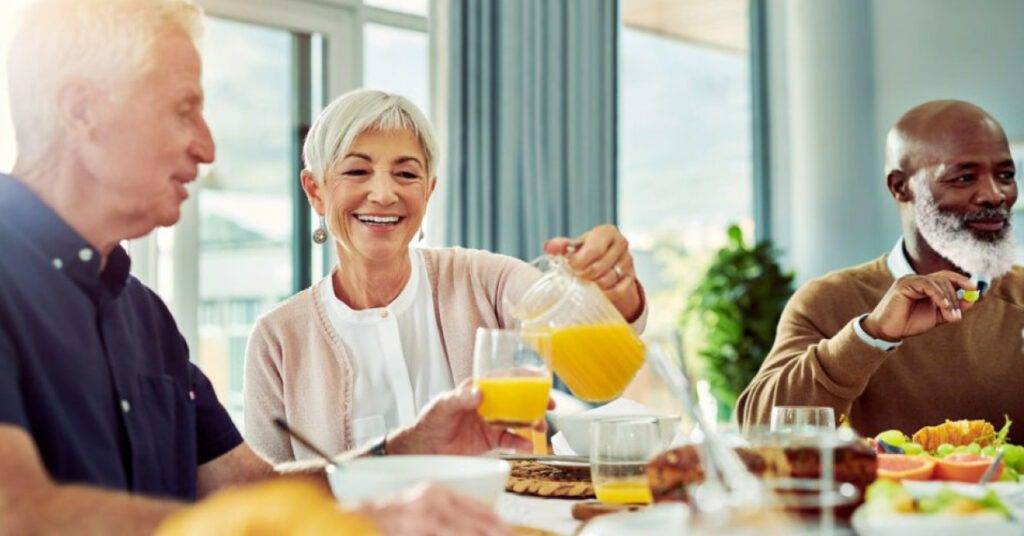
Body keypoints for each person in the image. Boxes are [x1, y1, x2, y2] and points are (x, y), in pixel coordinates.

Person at [0, 1, 512, 533]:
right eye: (183, 109)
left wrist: (408, 448)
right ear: (81, 110)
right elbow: (19, 514)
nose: (207, 146)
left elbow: (248, 489)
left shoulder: (145, 317)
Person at [244, 88, 648, 462]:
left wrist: (613, 287)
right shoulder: (277, 338)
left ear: (429, 190)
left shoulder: (484, 280)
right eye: (356, 172)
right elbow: (267, 499)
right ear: (315, 191)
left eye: (406, 174)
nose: (384, 194)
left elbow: (599, 365)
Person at [737, 100, 1024, 443]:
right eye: (964, 177)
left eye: (1006, 175)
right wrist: (870, 335)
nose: (995, 195)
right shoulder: (827, 301)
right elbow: (758, 429)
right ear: (900, 187)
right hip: (878, 498)